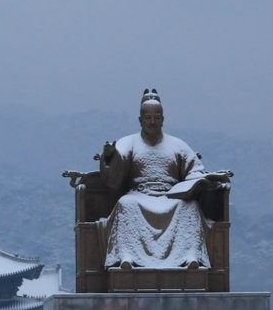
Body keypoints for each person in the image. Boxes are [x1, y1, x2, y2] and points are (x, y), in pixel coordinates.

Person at [97, 89, 232, 269]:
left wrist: (204, 179)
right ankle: (127, 257)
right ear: (140, 120)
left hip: (171, 197)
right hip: (139, 195)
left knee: (190, 207)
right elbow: (115, 172)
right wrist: (110, 156)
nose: (152, 122)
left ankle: (190, 257)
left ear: (163, 119)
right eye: (148, 118)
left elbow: (195, 170)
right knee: (125, 204)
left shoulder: (178, 145)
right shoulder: (129, 143)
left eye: (157, 117)